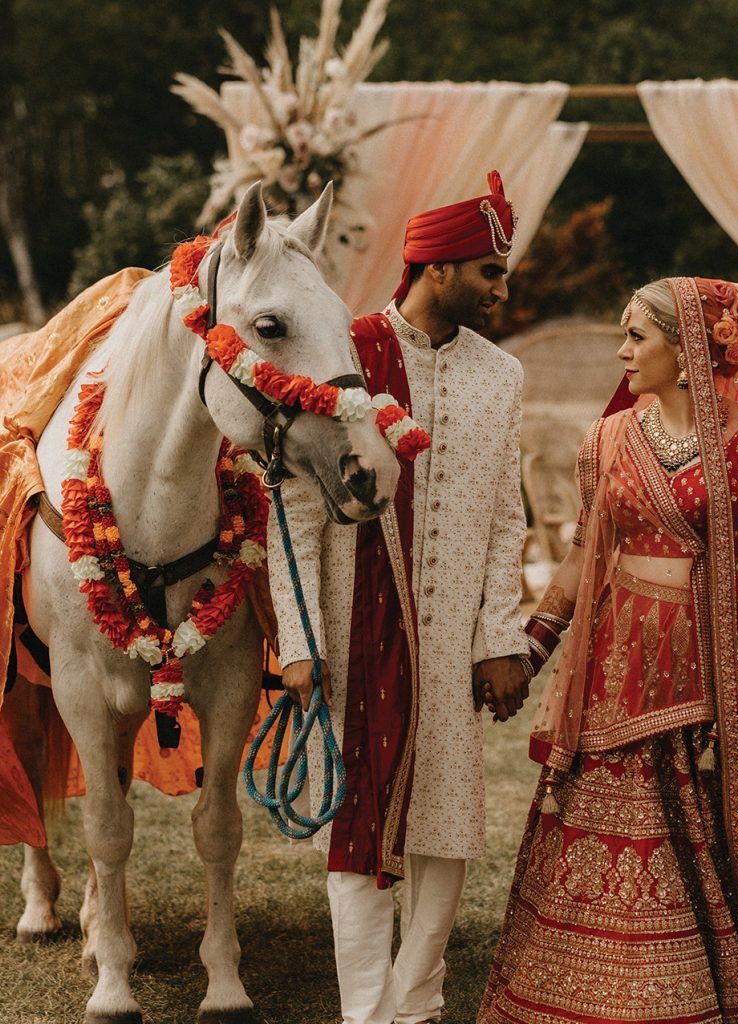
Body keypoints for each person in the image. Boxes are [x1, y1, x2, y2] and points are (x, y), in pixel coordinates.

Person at [478, 278, 738, 1024]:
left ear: (688, 351)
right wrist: (532, 649)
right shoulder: (607, 439)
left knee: (706, 825)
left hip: (710, 668)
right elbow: (585, 555)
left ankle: (699, 990)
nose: (622, 350)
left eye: (636, 336)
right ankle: (593, 991)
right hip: (612, 668)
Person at [270, 170, 532, 1024]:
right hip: (352, 628)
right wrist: (302, 640)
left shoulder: (503, 377)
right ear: (440, 269)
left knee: (447, 828)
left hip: (453, 637)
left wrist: (500, 636)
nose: (503, 287)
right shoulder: (342, 358)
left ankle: (415, 1007)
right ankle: (366, 1013)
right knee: (358, 827)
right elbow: (293, 513)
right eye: (490, 272)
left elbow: (505, 519)